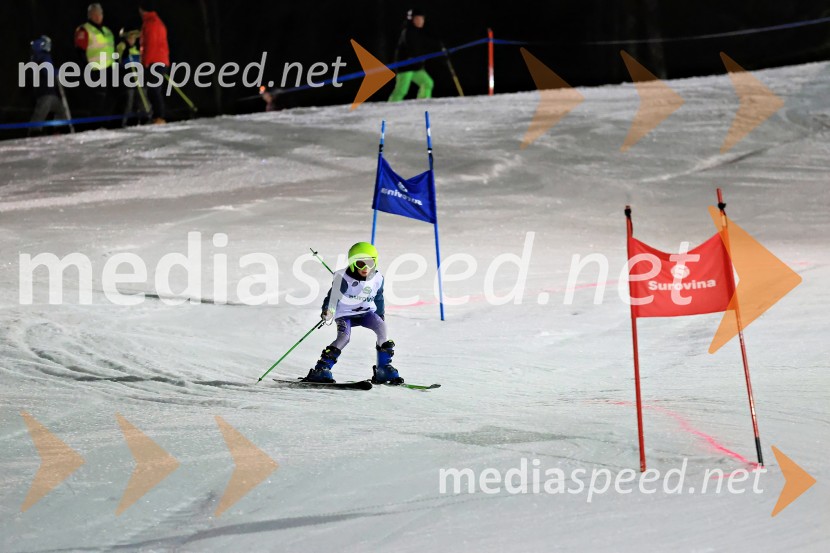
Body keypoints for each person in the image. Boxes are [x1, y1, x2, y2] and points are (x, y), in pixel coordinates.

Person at [305, 242, 404, 385]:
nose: (365, 268)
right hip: (345, 314)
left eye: (369, 263)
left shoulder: (377, 278)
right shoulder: (343, 278)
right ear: (352, 263)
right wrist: (328, 311)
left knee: (382, 328)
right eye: (360, 264)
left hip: (365, 313)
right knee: (344, 338)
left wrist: (380, 315)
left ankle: (383, 369)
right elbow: (333, 297)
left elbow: (379, 297)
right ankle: (321, 369)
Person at [74, 3, 116, 116]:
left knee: (110, 98)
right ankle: (96, 125)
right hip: (95, 70)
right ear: (89, 15)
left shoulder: (107, 31)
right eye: (94, 14)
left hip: (110, 70)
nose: (98, 16)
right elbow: (80, 51)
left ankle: (108, 124)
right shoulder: (84, 30)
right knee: (98, 99)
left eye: (100, 14)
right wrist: (87, 68)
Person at [388, 7, 434, 102]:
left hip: (415, 67)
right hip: (406, 68)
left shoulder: (418, 32)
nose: (421, 21)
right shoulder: (408, 32)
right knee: (402, 91)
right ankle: (390, 107)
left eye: (422, 18)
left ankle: (423, 103)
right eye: (418, 19)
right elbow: (412, 49)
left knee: (427, 83)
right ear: (412, 20)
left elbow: (423, 48)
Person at [27, 36, 68, 136]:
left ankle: (59, 129)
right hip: (46, 92)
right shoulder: (43, 56)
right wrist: (59, 72)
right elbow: (48, 71)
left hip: (45, 91)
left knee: (60, 110)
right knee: (41, 112)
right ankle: (34, 132)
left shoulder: (35, 58)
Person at [139, 1, 169, 124]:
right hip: (160, 60)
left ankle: (159, 117)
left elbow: (151, 44)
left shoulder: (151, 23)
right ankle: (157, 116)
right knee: (153, 90)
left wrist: (146, 62)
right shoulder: (155, 22)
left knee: (153, 90)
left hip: (155, 61)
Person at [116, 28, 150, 126]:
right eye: (130, 38)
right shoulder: (121, 46)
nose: (132, 40)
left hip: (138, 76)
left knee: (142, 97)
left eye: (134, 38)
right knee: (129, 100)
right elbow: (119, 59)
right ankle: (126, 121)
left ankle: (144, 119)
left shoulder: (136, 49)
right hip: (128, 76)